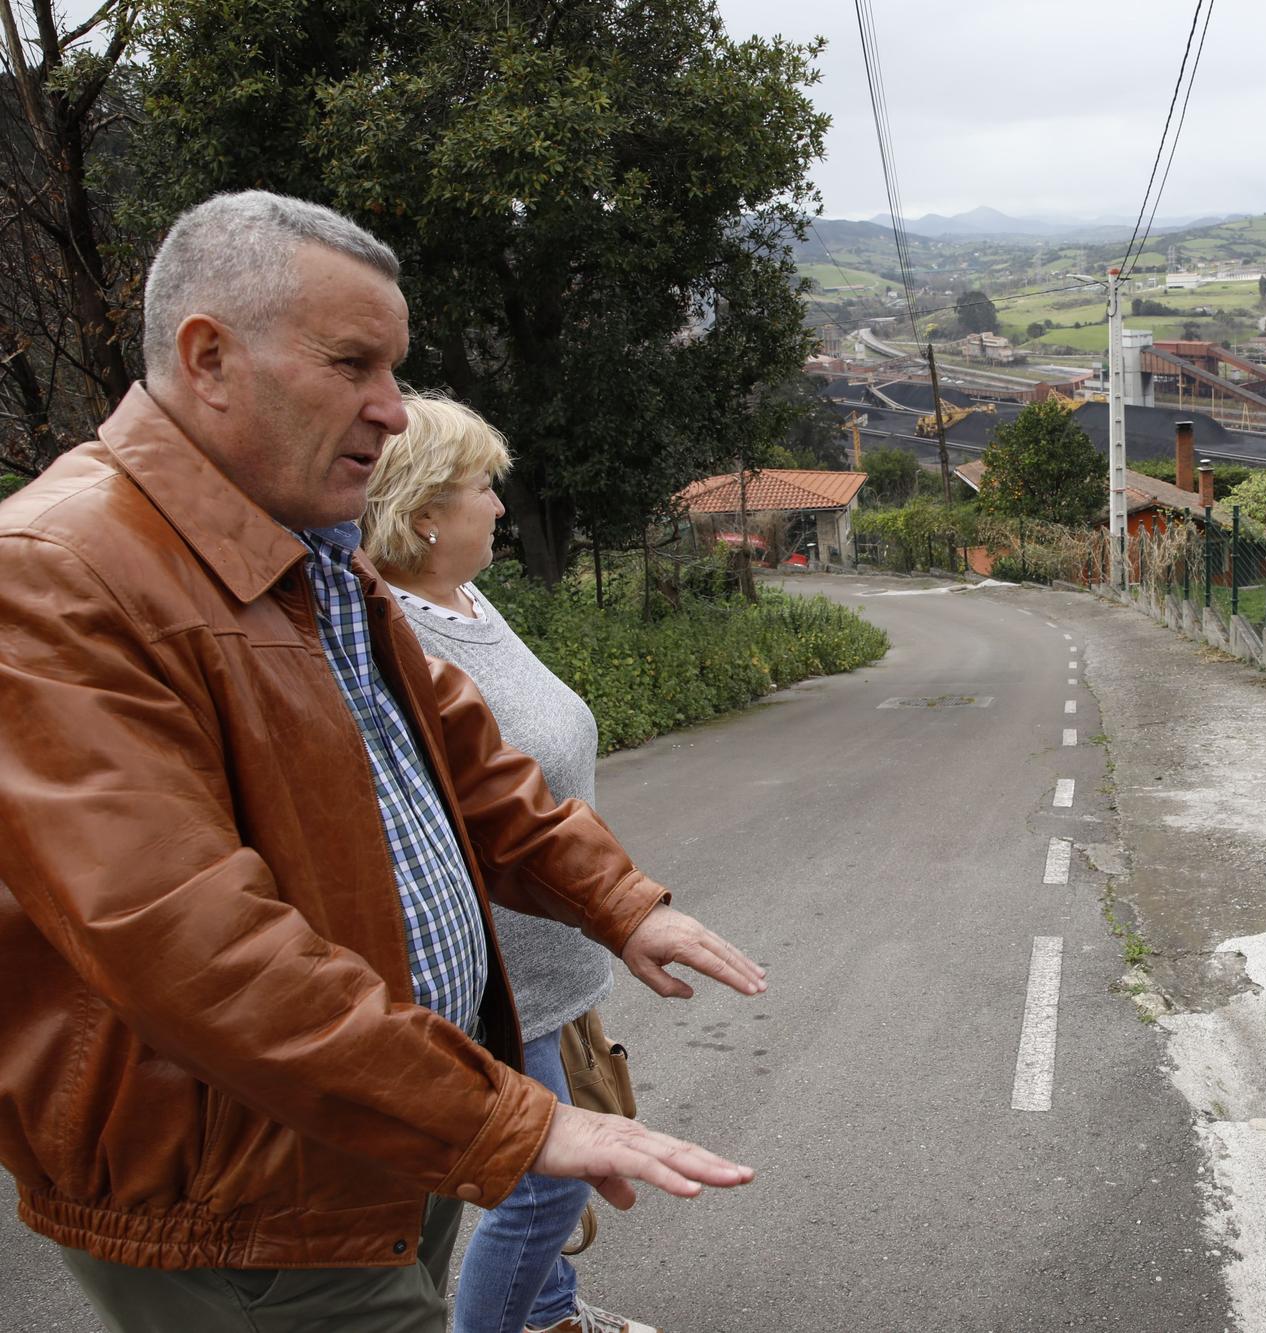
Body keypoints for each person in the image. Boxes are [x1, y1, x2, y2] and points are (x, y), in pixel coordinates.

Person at [0, 191, 764, 1333]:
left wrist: (615, 902)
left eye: (393, 370)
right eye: (354, 364)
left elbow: (464, 759)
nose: (393, 413)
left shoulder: (304, 546)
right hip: (250, 1201)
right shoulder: (57, 572)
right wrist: (512, 1121)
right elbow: (189, 943)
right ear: (209, 357)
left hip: (377, 1133)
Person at [360, 394, 639, 1333]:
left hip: (551, 950)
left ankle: (550, 1314)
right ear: (426, 511)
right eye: (484, 487)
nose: (499, 507)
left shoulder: (467, 600)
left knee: (561, 1168)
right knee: (540, 1191)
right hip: (492, 972)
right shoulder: (392, 628)